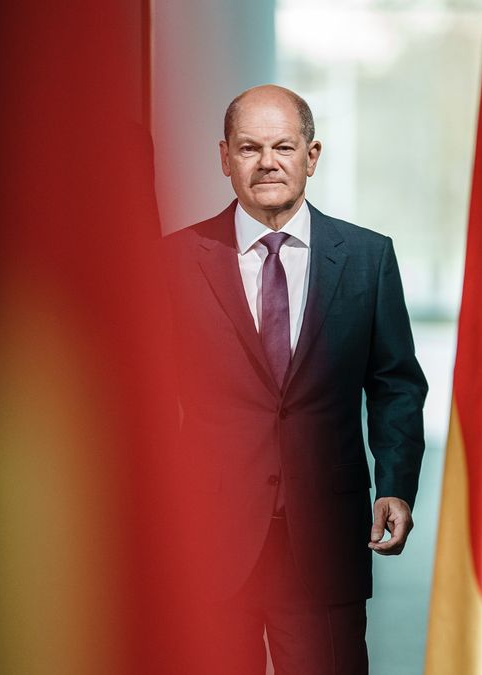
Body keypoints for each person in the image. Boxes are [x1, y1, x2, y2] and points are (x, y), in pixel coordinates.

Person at [162, 84, 427, 674]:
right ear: (225, 157)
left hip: (325, 540)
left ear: (312, 155)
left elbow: (396, 384)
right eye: (250, 148)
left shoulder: (367, 257)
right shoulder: (175, 262)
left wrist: (396, 485)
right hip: (208, 543)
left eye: (284, 146)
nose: (268, 163)